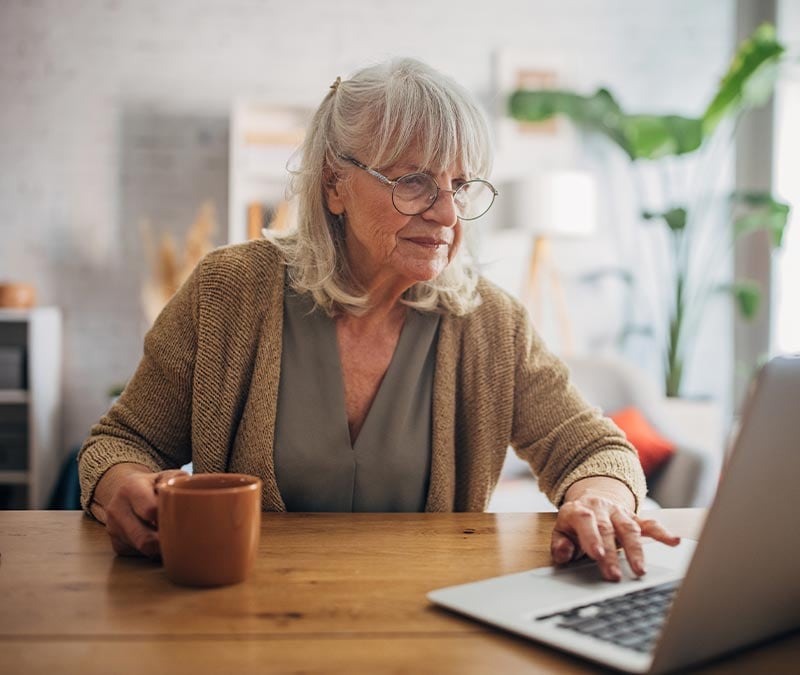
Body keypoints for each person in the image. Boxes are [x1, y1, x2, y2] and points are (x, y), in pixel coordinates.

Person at [78, 58, 679, 582]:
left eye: (461, 184)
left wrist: (599, 500)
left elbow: (594, 448)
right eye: (414, 181)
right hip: (244, 617)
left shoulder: (491, 324)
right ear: (334, 184)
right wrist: (120, 484)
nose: (447, 213)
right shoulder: (229, 293)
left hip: (432, 622)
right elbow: (121, 443)